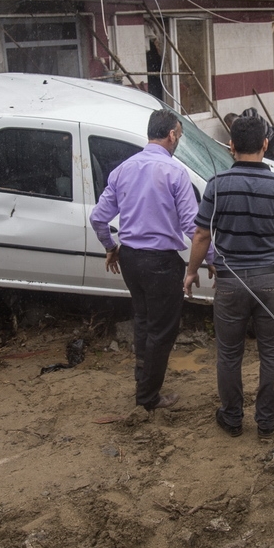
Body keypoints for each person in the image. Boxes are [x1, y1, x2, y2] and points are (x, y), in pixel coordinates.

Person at [184, 115, 274, 438]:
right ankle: (267, 420)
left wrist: (191, 271)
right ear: (266, 145)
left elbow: (200, 236)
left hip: (229, 283)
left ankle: (232, 418)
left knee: (228, 353)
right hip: (271, 283)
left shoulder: (217, 185)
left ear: (232, 146)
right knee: (272, 353)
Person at [89, 109, 196, 412]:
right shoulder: (175, 172)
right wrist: (209, 258)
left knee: (145, 321)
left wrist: (110, 246)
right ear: (172, 134)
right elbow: (191, 226)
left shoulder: (124, 169)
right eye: (180, 134)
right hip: (160, 262)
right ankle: (148, 396)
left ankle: (144, 383)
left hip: (131, 258)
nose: (179, 140)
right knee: (163, 329)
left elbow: (98, 217)